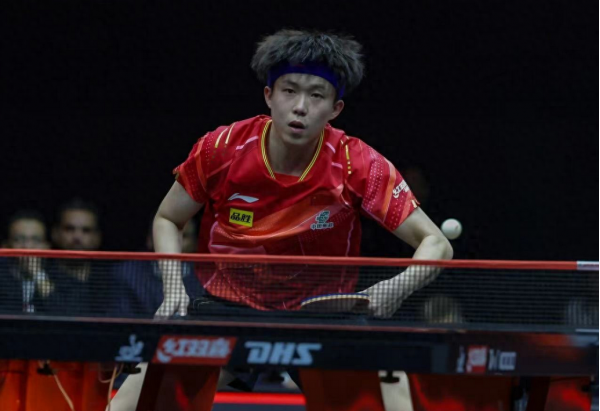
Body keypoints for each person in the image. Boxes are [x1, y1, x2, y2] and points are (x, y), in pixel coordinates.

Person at [112, 29, 453, 409]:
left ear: (335, 108)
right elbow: (168, 218)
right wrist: (174, 288)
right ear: (269, 95)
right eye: (289, 91)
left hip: (321, 315)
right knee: (131, 399)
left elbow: (436, 242)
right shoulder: (223, 148)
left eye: (317, 95)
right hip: (229, 309)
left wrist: (395, 288)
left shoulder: (356, 163)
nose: (300, 107)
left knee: (393, 391)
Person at [112, 218, 203, 317]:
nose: (175, 243)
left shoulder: (205, 278)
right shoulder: (128, 274)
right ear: (150, 240)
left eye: (184, 236)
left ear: (195, 243)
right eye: (168, 236)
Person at [36, 198, 108, 315]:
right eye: (69, 229)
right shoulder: (41, 276)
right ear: (55, 234)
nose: (77, 237)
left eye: (86, 230)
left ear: (97, 237)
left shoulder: (109, 281)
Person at [0, 210, 53, 313]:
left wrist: (38, 275)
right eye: (19, 239)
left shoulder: (59, 276)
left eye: (36, 240)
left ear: (47, 246)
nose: (28, 247)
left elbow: (64, 312)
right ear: (5, 246)